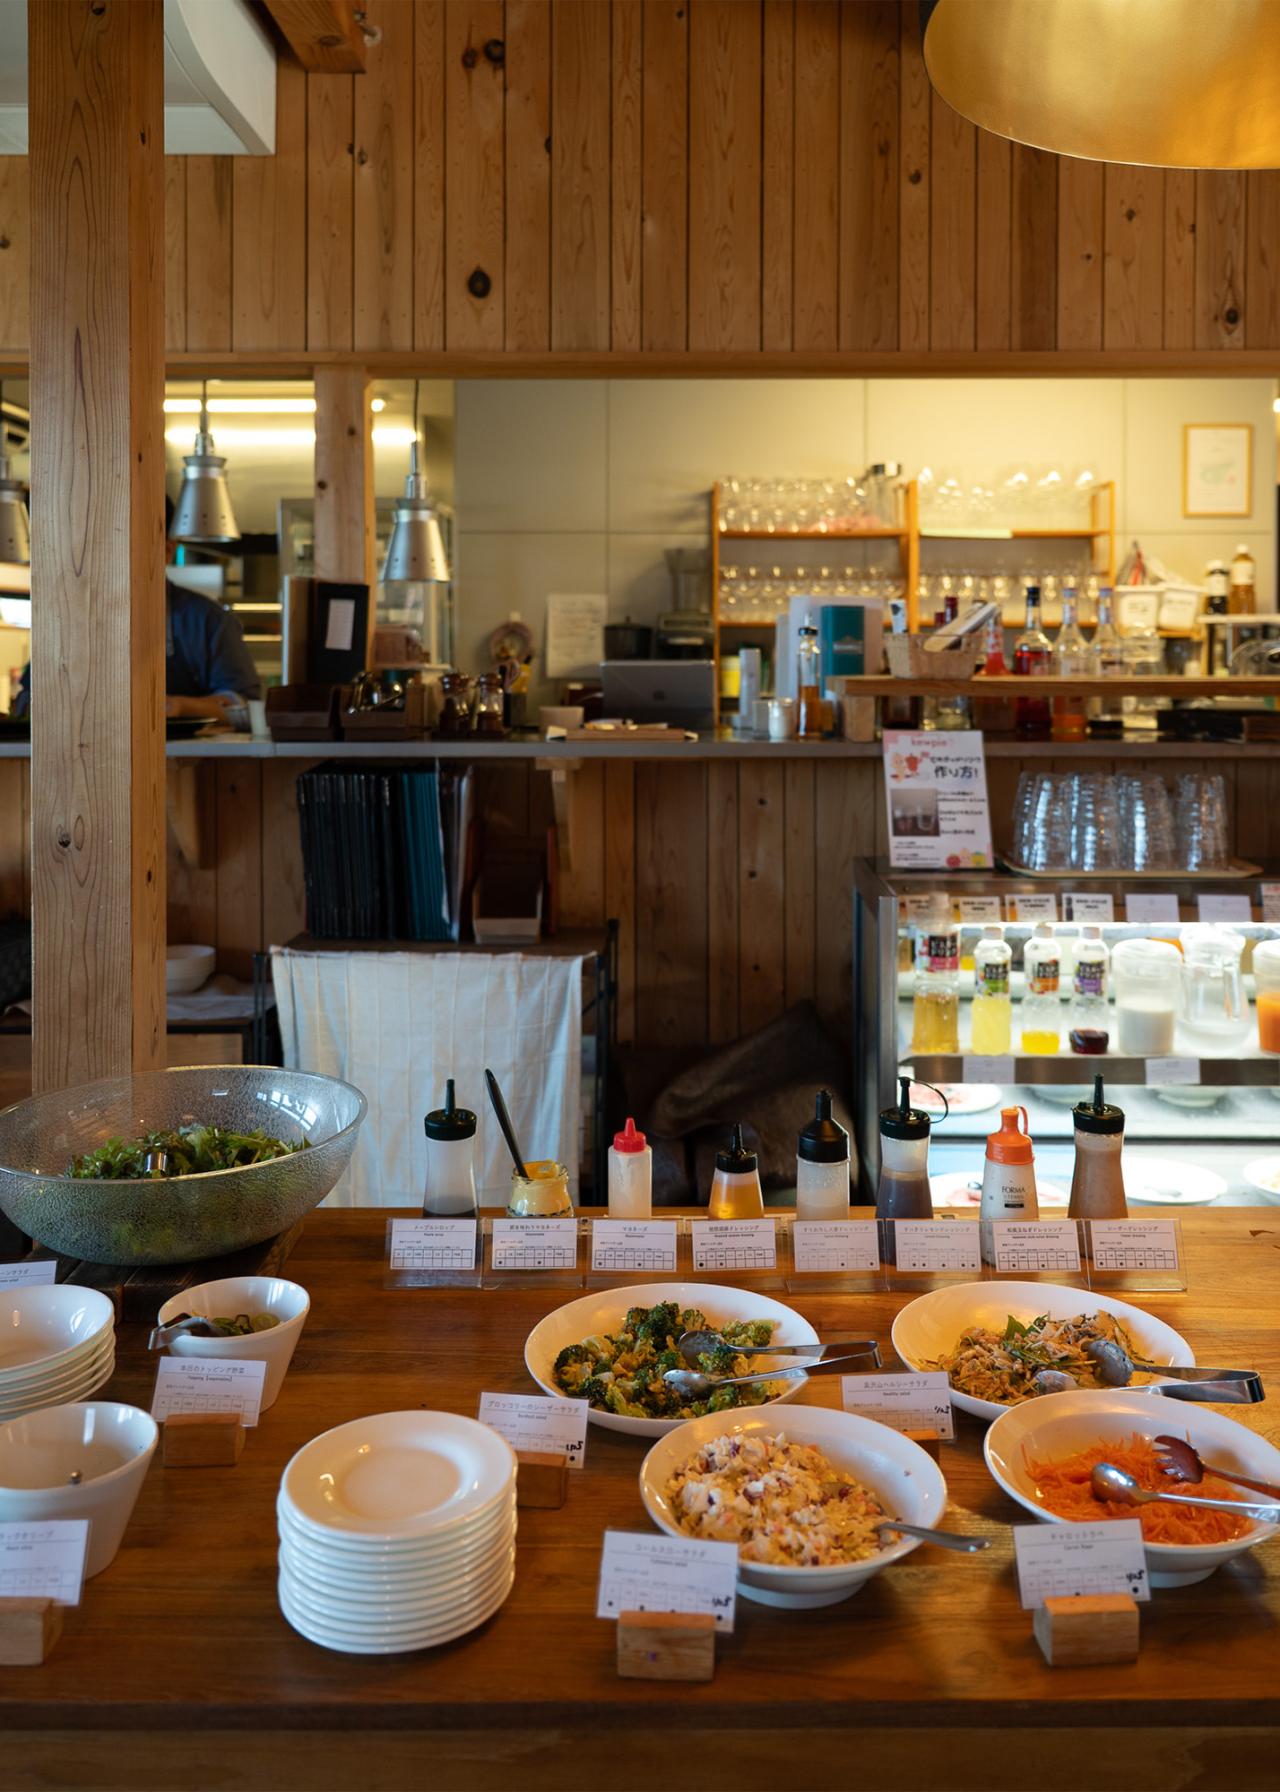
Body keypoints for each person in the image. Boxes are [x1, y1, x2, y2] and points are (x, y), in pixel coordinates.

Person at [14, 496, 261, 721]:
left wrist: (176, 706)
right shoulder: (75, 618)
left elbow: (244, 706)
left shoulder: (207, 621)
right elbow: (28, 698)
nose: (116, 557)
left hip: (182, 755)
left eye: (131, 543)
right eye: (108, 543)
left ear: (167, 551)